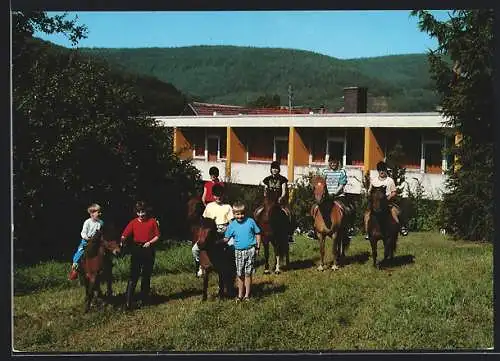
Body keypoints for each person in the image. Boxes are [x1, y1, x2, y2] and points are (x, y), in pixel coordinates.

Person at [121, 201, 160, 309]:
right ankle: (128, 302)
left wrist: (150, 242)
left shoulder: (152, 222)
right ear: (136, 213)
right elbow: (124, 235)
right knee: (133, 276)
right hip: (136, 249)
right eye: (139, 212)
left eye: (143, 212)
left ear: (146, 211)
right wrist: (122, 241)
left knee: (146, 275)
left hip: (148, 249)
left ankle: (145, 300)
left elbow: (157, 236)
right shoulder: (133, 222)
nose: (141, 215)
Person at [192, 184, 234, 277]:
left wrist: (229, 235)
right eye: (216, 195)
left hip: (224, 230)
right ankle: (200, 265)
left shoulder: (227, 207)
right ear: (213, 196)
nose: (218, 197)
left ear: (223, 195)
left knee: (232, 246)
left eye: (220, 195)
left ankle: (233, 267)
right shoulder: (209, 206)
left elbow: (231, 223)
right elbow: (204, 221)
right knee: (195, 249)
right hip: (210, 231)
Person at [223, 202, 261, 302]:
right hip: (239, 252)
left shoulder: (250, 221)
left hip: (250, 250)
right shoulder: (232, 226)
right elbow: (226, 239)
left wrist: (257, 247)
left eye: (242, 213)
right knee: (240, 274)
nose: (240, 216)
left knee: (248, 273)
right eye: (237, 214)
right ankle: (240, 295)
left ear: (245, 213)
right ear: (234, 214)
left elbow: (258, 233)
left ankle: (247, 295)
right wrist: (216, 242)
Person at [364, 161, 407, 239]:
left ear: (385, 170)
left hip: (387, 201)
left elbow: (394, 192)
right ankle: (367, 232)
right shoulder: (374, 181)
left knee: (394, 212)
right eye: (380, 170)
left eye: (383, 170)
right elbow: (370, 191)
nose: (381, 172)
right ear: (378, 171)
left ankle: (401, 227)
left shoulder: (389, 180)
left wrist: (388, 197)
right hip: (375, 203)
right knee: (367, 214)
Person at [256, 161, 294, 242]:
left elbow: (284, 191)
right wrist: (266, 198)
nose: (275, 170)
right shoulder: (267, 179)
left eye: (276, 168)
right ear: (271, 169)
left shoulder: (283, 179)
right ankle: (257, 229)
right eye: (273, 168)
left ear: (279, 169)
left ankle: (289, 233)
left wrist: (281, 197)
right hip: (269, 200)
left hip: (279, 201)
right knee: (258, 211)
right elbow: (265, 191)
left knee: (288, 213)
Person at [68, 203, 104, 281]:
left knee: (102, 251)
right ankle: (75, 265)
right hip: (86, 241)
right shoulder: (87, 222)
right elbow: (83, 232)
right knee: (80, 251)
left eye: (100, 212)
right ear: (92, 214)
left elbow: (100, 232)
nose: (100, 214)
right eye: (98, 212)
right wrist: (86, 238)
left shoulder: (100, 223)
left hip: (95, 242)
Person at [321, 157, 355, 237]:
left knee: (348, 209)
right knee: (315, 208)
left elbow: (342, 184)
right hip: (326, 196)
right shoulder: (325, 171)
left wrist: (335, 193)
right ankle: (314, 229)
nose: (333, 164)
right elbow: (322, 183)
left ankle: (349, 228)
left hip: (338, 196)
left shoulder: (341, 172)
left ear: (338, 163)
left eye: (335, 163)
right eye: (331, 163)